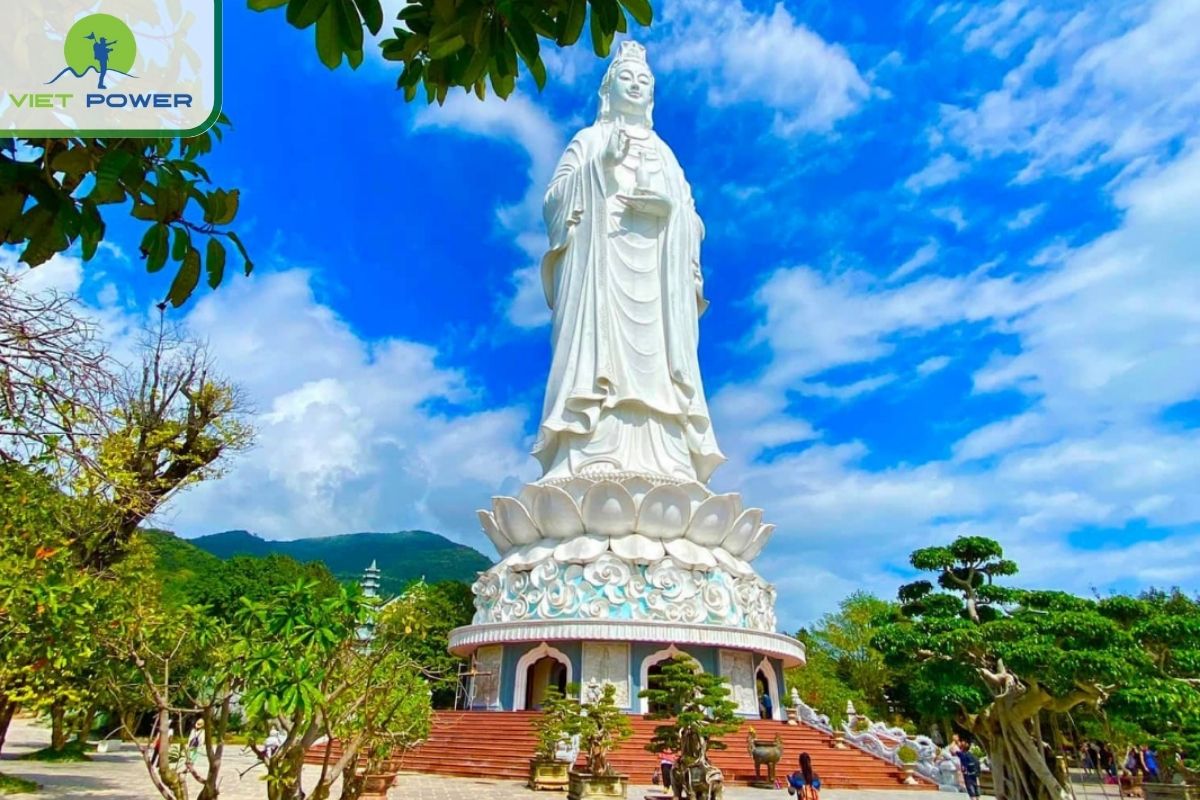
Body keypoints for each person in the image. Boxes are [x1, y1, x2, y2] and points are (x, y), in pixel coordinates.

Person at [535, 40, 725, 483]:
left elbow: (692, 217)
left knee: (659, 366)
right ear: (608, 90)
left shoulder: (665, 154)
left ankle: (670, 459)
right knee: (602, 362)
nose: (636, 85)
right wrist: (599, 166)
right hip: (602, 271)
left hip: (658, 283)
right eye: (627, 78)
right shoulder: (589, 141)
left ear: (652, 94)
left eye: (644, 80)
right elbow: (552, 204)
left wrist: (671, 210)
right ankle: (592, 449)